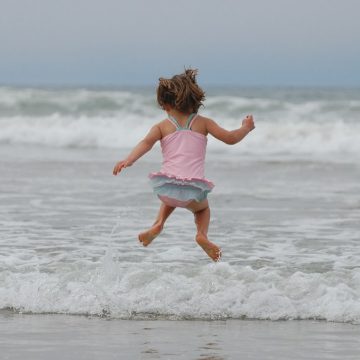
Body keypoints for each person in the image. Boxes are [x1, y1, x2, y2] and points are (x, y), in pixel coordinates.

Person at [113, 69, 255, 261]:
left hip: (167, 187)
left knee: (172, 193)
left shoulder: (161, 126)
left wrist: (128, 160)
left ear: (166, 105)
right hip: (193, 189)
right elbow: (230, 139)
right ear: (195, 101)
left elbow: (146, 143)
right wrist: (246, 128)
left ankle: (158, 224)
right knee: (202, 209)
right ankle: (202, 235)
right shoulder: (204, 123)